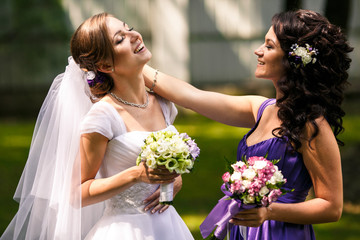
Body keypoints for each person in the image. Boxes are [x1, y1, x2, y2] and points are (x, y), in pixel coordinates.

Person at [142, 9, 353, 239]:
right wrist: (133, 64)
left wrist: (269, 212)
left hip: (282, 232)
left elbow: (332, 207)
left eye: (269, 46)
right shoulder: (260, 109)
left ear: (293, 60)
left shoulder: (311, 124)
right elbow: (191, 97)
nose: (258, 50)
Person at [1, 13, 194, 240]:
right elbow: (76, 194)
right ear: (105, 65)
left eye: (129, 28)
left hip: (168, 226)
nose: (134, 36)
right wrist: (135, 175)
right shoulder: (103, 116)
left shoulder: (163, 103)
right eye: (120, 39)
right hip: (126, 229)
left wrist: (173, 178)